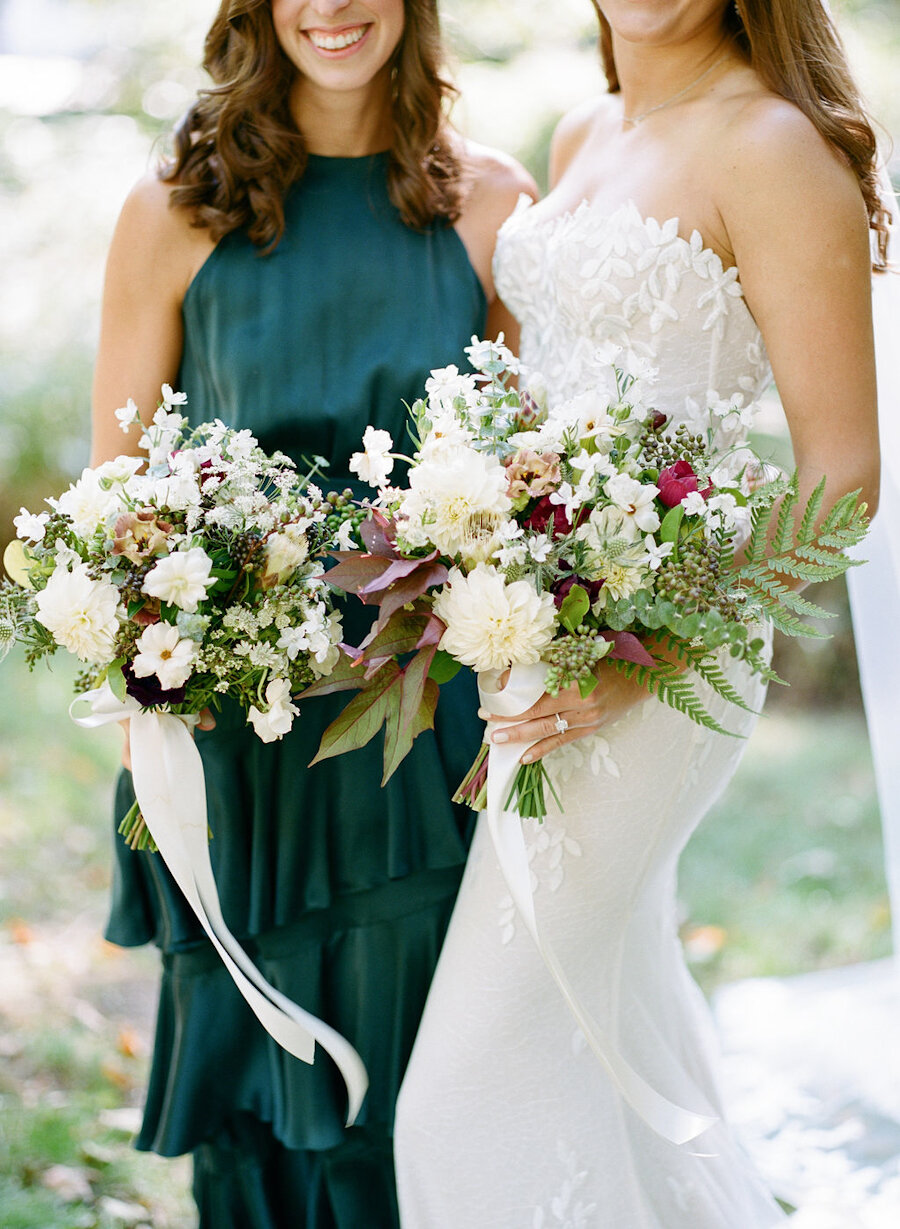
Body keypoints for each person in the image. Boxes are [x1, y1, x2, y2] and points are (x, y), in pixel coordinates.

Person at [394, 0, 884, 1224]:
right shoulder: (581, 132)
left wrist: (643, 657)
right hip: (532, 643)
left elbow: (844, 473)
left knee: (462, 1088)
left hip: (663, 664)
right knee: (608, 1039)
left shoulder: (775, 147)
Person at [90, 2, 533, 1226]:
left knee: (403, 1082)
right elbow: (117, 490)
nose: (332, 6)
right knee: (251, 1087)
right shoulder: (171, 209)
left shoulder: (492, 204)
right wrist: (144, 687)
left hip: (412, 720)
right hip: (234, 710)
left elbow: (519, 487)